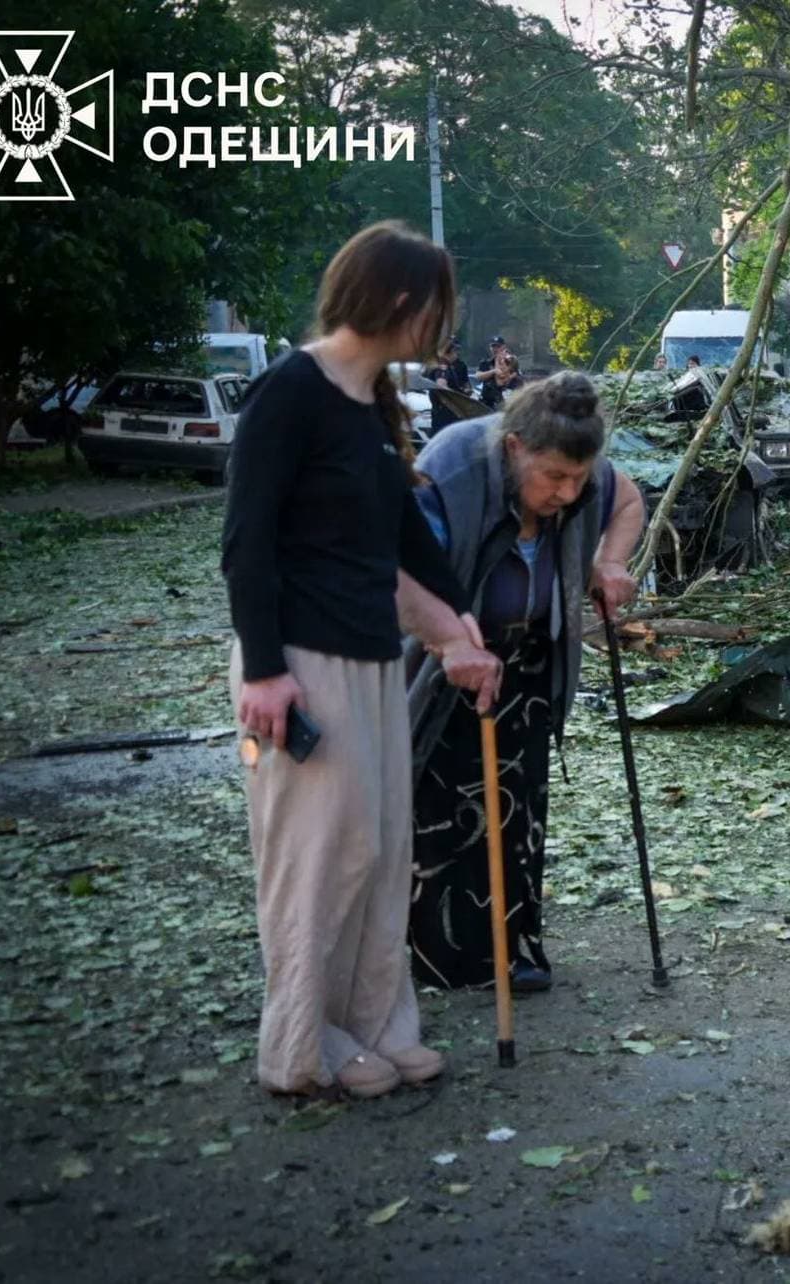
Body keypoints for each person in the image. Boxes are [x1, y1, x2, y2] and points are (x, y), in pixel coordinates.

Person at [221, 220, 503, 1100]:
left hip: (374, 661)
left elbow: (404, 540)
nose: (440, 329)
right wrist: (265, 671)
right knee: (317, 857)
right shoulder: (291, 393)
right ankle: (302, 1047)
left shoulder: (371, 401)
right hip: (300, 665)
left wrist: (461, 626)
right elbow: (246, 542)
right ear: (399, 300)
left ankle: (377, 1025)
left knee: (379, 850)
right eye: (437, 311)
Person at [402, 374, 644, 993]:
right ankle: (444, 960)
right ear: (514, 449)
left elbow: (627, 501)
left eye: (577, 479)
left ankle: (512, 950)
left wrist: (610, 562)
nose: (567, 493)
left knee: (518, 812)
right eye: (553, 478)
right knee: (445, 813)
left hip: (529, 666)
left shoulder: (584, 476)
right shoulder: (451, 467)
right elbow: (401, 570)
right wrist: (449, 642)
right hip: (448, 666)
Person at [428, 338, 472, 433]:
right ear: (451, 351)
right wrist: (457, 396)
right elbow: (441, 385)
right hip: (445, 416)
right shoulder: (442, 365)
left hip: (445, 415)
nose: (457, 354)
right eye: (455, 351)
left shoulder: (444, 365)